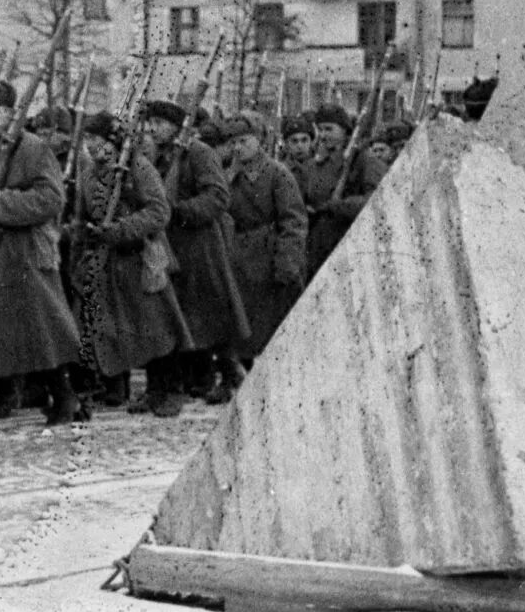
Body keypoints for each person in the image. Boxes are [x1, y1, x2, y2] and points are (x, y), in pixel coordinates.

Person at [0, 79, 87, 429]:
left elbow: (50, 199)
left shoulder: (33, 148)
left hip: (23, 252)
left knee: (41, 331)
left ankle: (65, 397)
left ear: (13, 113)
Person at [67, 113, 191, 406]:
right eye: (87, 140)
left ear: (112, 142)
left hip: (141, 257)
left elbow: (159, 211)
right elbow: (81, 217)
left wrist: (122, 228)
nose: (90, 146)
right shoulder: (87, 174)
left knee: (157, 326)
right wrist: (80, 246)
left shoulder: (137, 166)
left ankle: (169, 391)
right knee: (114, 327)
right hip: (106, 262)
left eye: (95, 140)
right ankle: (126, 389)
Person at [139, 98, 246, 417]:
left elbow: (217, 196)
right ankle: (160, 388)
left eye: (159, 123)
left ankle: (228, 374)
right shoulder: (151, 156)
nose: (152, 129)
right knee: (166, 318)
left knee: (208, 315)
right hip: (163, 246)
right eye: (150, 123)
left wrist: (180, 212)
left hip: (197, 246)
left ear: (175, 126)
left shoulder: (197, 153)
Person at [218, 112, 308, 397]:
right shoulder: (228, 174)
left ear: (259, 140)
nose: (238, 147)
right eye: (233, 142)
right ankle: (232, 377)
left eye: (244, 141)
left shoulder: (278, 174)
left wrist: (288, 261)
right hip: (236, 253)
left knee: (268, 323)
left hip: (267, 255)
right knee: (237, 321)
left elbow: (293, 221)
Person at [295, 105, 377, 280]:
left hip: (351, 245)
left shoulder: (362, 161)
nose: (323, 135)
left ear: (344, 131)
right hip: (317, 246)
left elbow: (375, 200)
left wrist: (338, 206)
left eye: (329, 129)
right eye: (321, 129)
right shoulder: (311, 165)